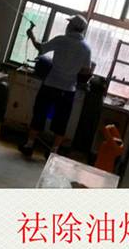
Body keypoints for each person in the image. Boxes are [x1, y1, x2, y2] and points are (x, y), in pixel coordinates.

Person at [19, 14, 93, 157]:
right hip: (68, 90)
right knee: (61, 121)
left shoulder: (61, 40)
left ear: (71, 26)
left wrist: (31, 35)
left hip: (50, 84)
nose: (67, 26)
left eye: (69, 23)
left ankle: (29, 145)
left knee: (39, 114)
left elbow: (40, 48)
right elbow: (86, 71)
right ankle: (53, 152)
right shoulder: (86, 48)